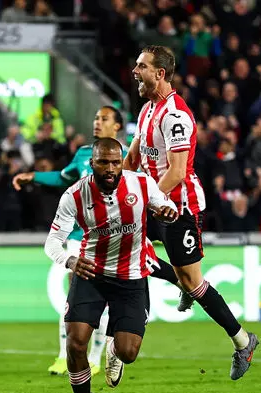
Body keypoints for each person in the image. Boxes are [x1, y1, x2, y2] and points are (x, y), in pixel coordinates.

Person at [14, 106, 188, 376]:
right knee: (77, 291)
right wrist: (34, 176)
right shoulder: (84, 154)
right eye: (95, 117)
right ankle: (65, 355)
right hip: (83, 237)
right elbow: (63, 178)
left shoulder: (131, 156)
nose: (97, 122)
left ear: (117, 126)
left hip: (125, 234)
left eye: (104, 118)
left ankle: (102, 353)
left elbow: (148, 189)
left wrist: (163, 209)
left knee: (148, 269)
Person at [124, 45, 258, 380]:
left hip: (179, 207)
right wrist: (116, 192)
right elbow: (133, 158)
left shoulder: (176, 116)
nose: (135, 71)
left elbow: (177, 171)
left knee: (194, 282)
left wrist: (144, 202)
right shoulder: (146, 111)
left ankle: (243, 342)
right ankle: (120, 338)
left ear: (160, 74)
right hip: (155, 202)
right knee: (128, 250)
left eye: (141, 66)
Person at [45, 137, 179, 393]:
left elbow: (166, 206)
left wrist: (169, 212)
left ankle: (114, 349)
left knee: (129, 352)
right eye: (103, 162)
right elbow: (52, 242)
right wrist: (69, 260)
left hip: (130, 276)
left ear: (122, 163)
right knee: (75, 343)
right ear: (92, 163)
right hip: (91, 272)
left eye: (116, 162)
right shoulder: (74, 195)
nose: (110, 168)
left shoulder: (141, 184)